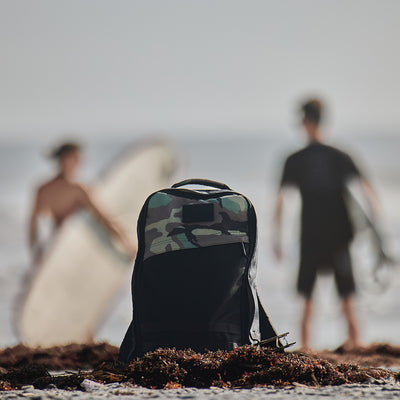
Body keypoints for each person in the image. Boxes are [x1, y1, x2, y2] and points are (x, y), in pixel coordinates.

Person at [273, 99, 379, 351]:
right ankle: (356, 344)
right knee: (346, 294)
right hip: (340, 236)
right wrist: (378, 232)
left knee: (308, 295)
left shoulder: (295, 159)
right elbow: (368, 190)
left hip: (311, 236)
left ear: (306, 122)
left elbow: (280, 200)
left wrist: (277, 237)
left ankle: (306, 346)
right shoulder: (340, 155)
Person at [29, 142, 137, 263]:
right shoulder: (78, 189)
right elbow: (104, 219)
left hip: (53, 247)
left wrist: (36, 254)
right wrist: (127, 244)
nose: (80, 162)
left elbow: (34, 227)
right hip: (76, 247)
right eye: (76, 158)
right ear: (65, 160)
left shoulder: (43, 189)